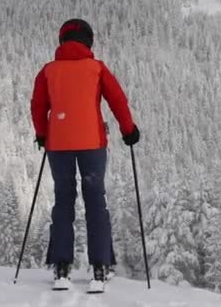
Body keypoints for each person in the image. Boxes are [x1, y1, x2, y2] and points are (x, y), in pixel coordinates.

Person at [30, 18, 140, 291]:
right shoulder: (97, 69)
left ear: (62, 40)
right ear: (88, 40)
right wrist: (129, 130)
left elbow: (37, 106)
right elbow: (118, 100)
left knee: (63, 201)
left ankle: (62, 268)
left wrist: (43, 134)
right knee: (95, 202)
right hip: (92, 143)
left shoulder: (48, 71)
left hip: (58, 145)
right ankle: (100, 268)